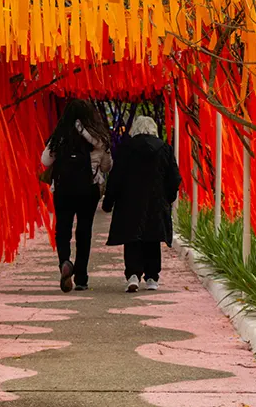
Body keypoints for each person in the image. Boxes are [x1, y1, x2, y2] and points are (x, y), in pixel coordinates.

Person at [102, 116, 181, 292]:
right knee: (152, 238)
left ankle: (133, 275)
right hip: (156, 202)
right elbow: (174, 178)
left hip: (129, 202)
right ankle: (152, 277)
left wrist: (109, 202)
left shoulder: (125, 149)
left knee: (132, 238)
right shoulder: (164, 149)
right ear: (153, 130)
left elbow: (116, 178)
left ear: (135, 130)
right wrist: (169, 197)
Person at [42, 100, 112, 293]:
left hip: (63, 190)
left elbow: (44, 160)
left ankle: (65, 261)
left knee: (62, 229)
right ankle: (81, 277)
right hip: (88, 190)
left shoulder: (60, 136)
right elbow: (107, 167)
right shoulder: (98, 138)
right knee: (84, 231)